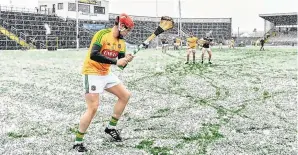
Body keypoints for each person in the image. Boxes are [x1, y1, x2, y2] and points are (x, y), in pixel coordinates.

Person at [73, 13, 135, 152]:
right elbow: (93, 54)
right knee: (93, 108)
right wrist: (116, 61)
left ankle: (110, 127)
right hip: (92, 72)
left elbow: (120, 64)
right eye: (127, 29)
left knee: (125, 96)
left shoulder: (121, 42)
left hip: (106, 73)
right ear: (120, 25)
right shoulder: (102, 34)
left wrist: (126, 60)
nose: (128, 33)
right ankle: (78, 141)